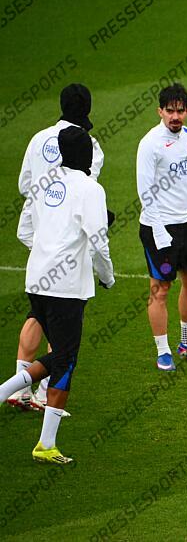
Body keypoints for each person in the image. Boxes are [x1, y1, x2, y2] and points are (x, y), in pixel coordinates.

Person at [0, 125, 114, 464]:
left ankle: (5, 391)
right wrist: (107, 277)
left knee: (62, 355)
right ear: (86, 154)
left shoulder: (42, 183)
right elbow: (99, 241)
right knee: (66, 361)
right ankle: (46, 444)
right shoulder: (91, 189)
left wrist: (47, 251)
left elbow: (25, 231)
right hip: (66, 288)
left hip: (36, 280)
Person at [7, 83, 105, 411]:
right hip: (68, 247)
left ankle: (18, 388)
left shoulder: (37, 139)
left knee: (37, 314)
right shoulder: (90, 145)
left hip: (39, 239)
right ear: (87, 109)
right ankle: (42, 392)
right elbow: (87, 187)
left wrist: (46, 207)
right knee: (63, 330)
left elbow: (24, 185)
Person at [136, 83, 187, 371]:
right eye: (170, 111)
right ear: (159, 111)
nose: (175, 116)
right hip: (158, 227)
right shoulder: (150, 144)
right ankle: (163, 351)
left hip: (185, 226)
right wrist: (159, 232)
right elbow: (145, 190)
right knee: (161, 289)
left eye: (180, 111)